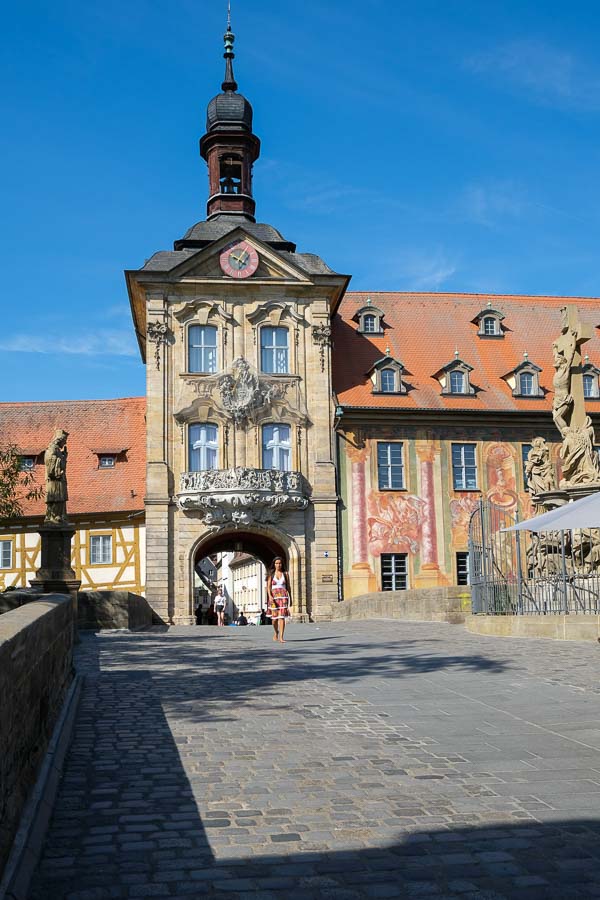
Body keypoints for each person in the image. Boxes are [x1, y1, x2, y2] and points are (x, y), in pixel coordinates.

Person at [266, 556, 291, 643]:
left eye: (280, 563)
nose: (278, 565)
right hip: (274, 598)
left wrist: (290, 598)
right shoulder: (271, 574)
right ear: (274, 564)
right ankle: (276, 632)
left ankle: (281, 637)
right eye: (276, 563)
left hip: (283, 597)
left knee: (282, 617)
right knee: (274, 619)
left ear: (282, 564)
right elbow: (268, 587)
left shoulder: (285, 574)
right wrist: (270, 596)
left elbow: (288, 587)